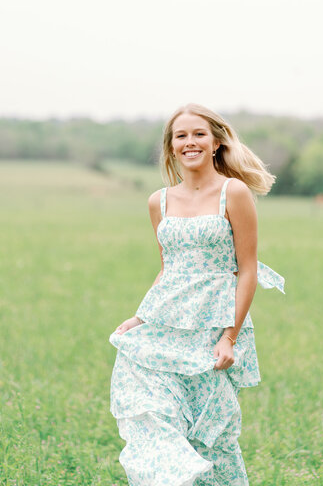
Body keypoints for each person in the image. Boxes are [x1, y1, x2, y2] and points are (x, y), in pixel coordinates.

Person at [109, 103, 285, 485]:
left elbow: (248, 269)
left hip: (209, 329)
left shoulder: (233, 193)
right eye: (181, 135)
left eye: (198, 134)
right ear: (171, 147)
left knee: (209, 433)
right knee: (152, 414)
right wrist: (140, 317)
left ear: (216, 142)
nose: (190, 142)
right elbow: (167, 269)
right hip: (164, 324)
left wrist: (229, 336)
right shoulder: (159, 201)